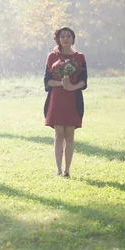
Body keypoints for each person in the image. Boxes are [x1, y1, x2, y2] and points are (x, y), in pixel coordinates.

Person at [43, 27, 87, 178]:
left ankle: (68, 170)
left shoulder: (79, 57)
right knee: (58, 134)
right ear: (58, 39)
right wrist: (62, 84)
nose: (66, 38)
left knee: (70, 135)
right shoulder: (51, 57)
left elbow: (84, 81)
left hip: (73, 100)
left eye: (69, 36)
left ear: (73, 39)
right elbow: (47, 81)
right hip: (56, 100)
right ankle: (58, 169)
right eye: (63, 36)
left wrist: (72, 86)